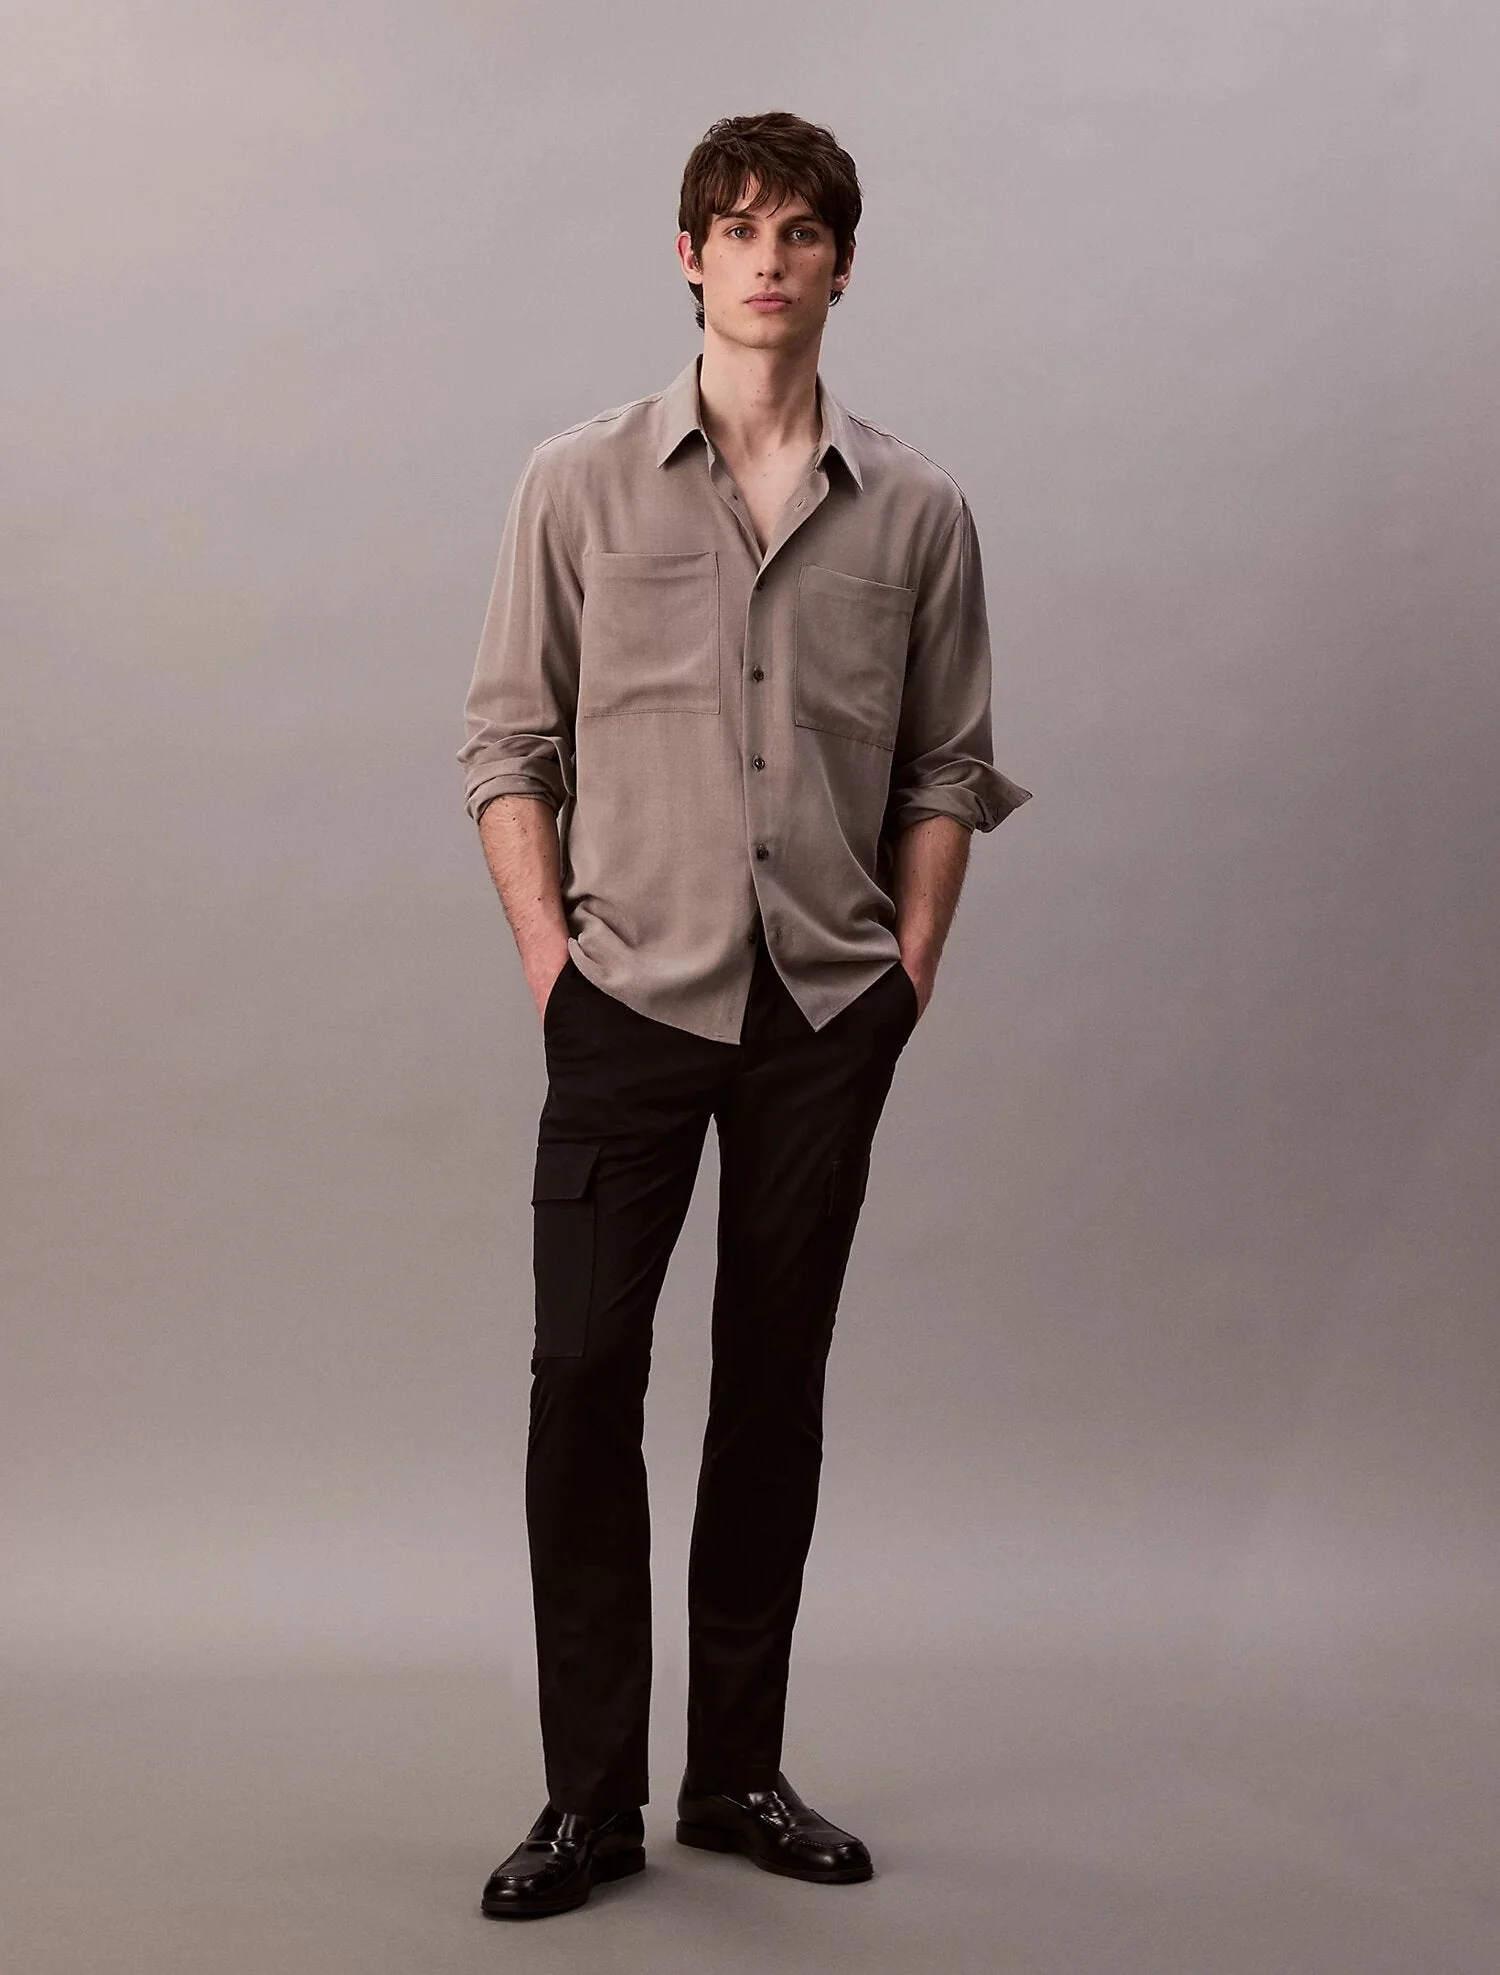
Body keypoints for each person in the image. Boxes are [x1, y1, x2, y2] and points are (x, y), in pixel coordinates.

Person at [458, 109, 1031, 1920]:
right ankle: (587, 1802)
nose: (767, 259)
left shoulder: (919, 510)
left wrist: (904, 975)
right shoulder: (577, 481)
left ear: (843, 264)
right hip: (626, 993)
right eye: (737, 228)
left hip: (824, 1011)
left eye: (799, 232)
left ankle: (734, 1776)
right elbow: (507, 742)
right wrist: (553, 965)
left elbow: (946, 764)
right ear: (688, 258)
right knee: (582, 1380)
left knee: (774, 1385)